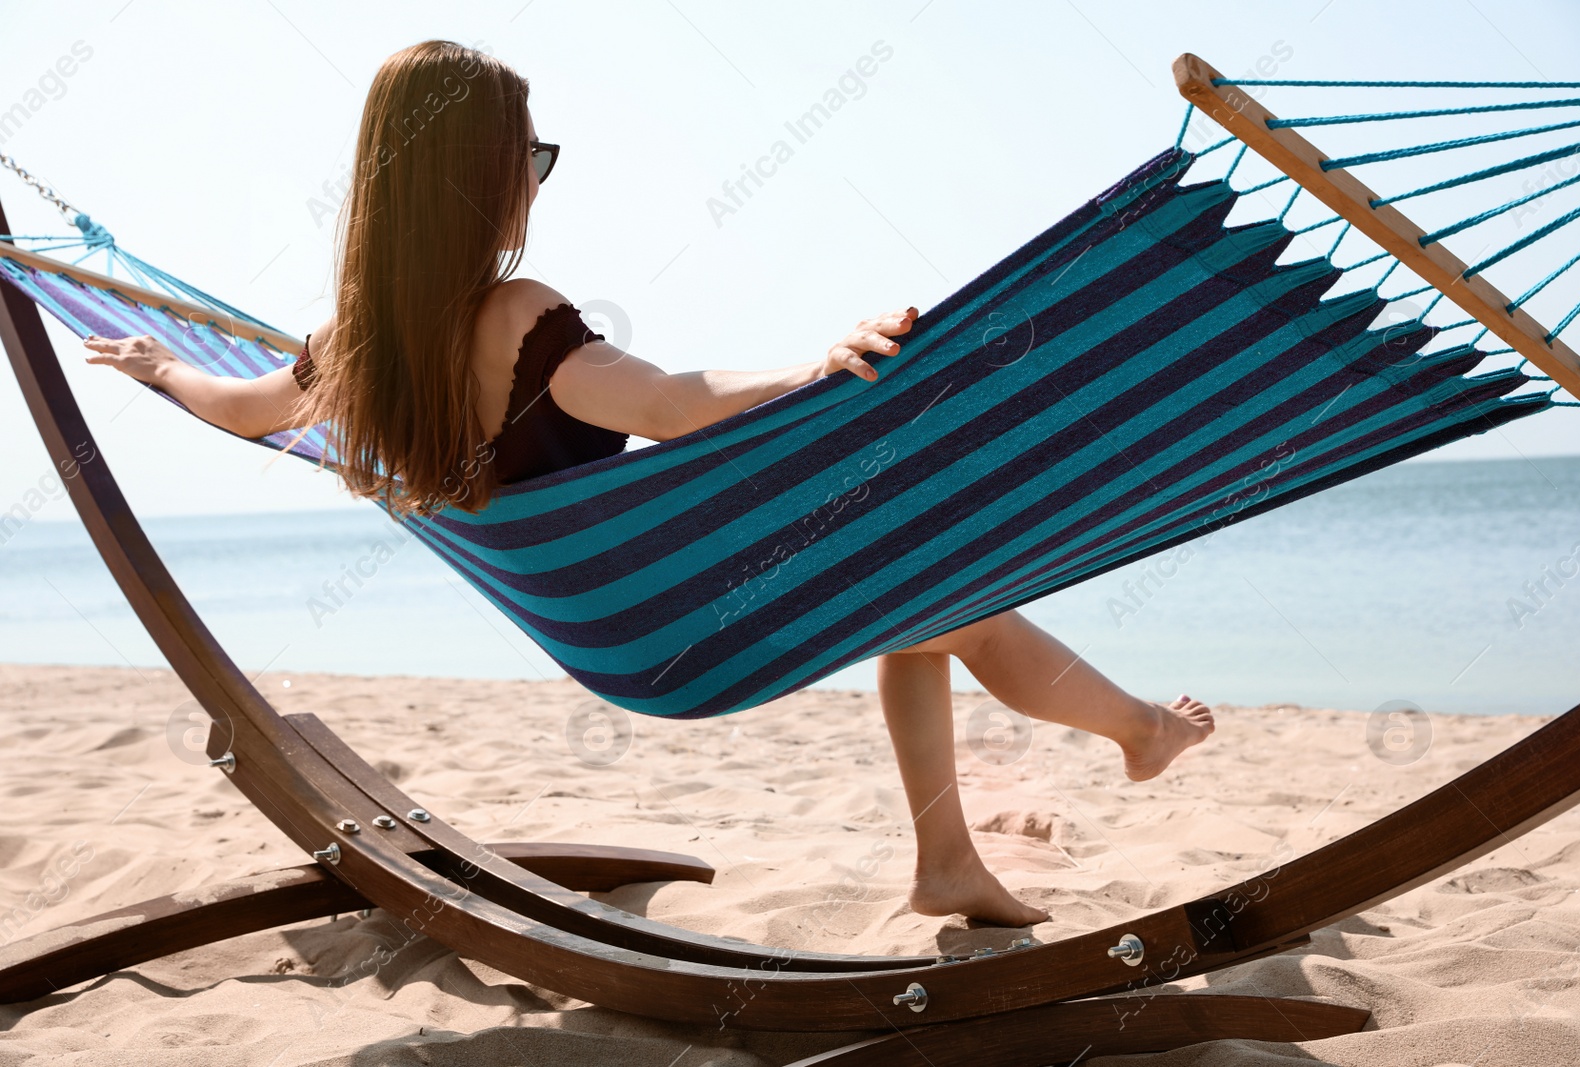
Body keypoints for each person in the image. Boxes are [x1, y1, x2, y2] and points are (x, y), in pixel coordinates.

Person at [83, 39, 1214, 928]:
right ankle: (1137, 730)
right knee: (953, 588)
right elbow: (670, 401)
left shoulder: (353, 351)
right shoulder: (517, 315)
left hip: (609, 634)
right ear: (481, 178)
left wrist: (156, 365)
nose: (535, 183)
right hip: (693, 626)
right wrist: (815, 362)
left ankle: (948, 861)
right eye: (528, 159)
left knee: (906, 583)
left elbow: (242, 409)